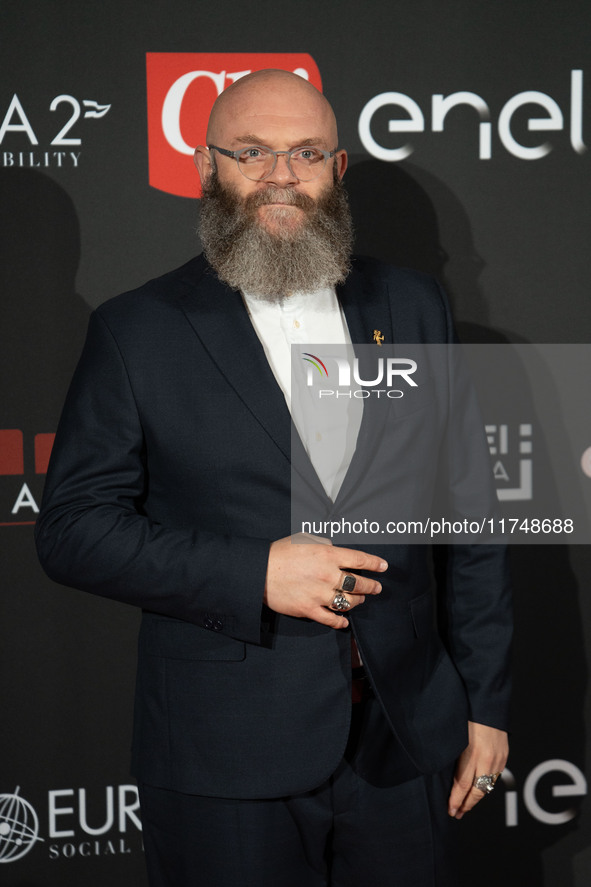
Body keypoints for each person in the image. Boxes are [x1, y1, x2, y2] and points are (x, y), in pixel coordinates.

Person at [36, 69, 511, 886]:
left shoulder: (411, 304)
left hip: (403, 741)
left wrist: (484, 704)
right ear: (205, 165)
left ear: (338, 168)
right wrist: (253, 571)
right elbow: (73, 528)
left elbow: (468, 514)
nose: (280, 176)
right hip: (226, 758)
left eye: (305, 153)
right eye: (252, 153)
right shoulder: (137, 330)